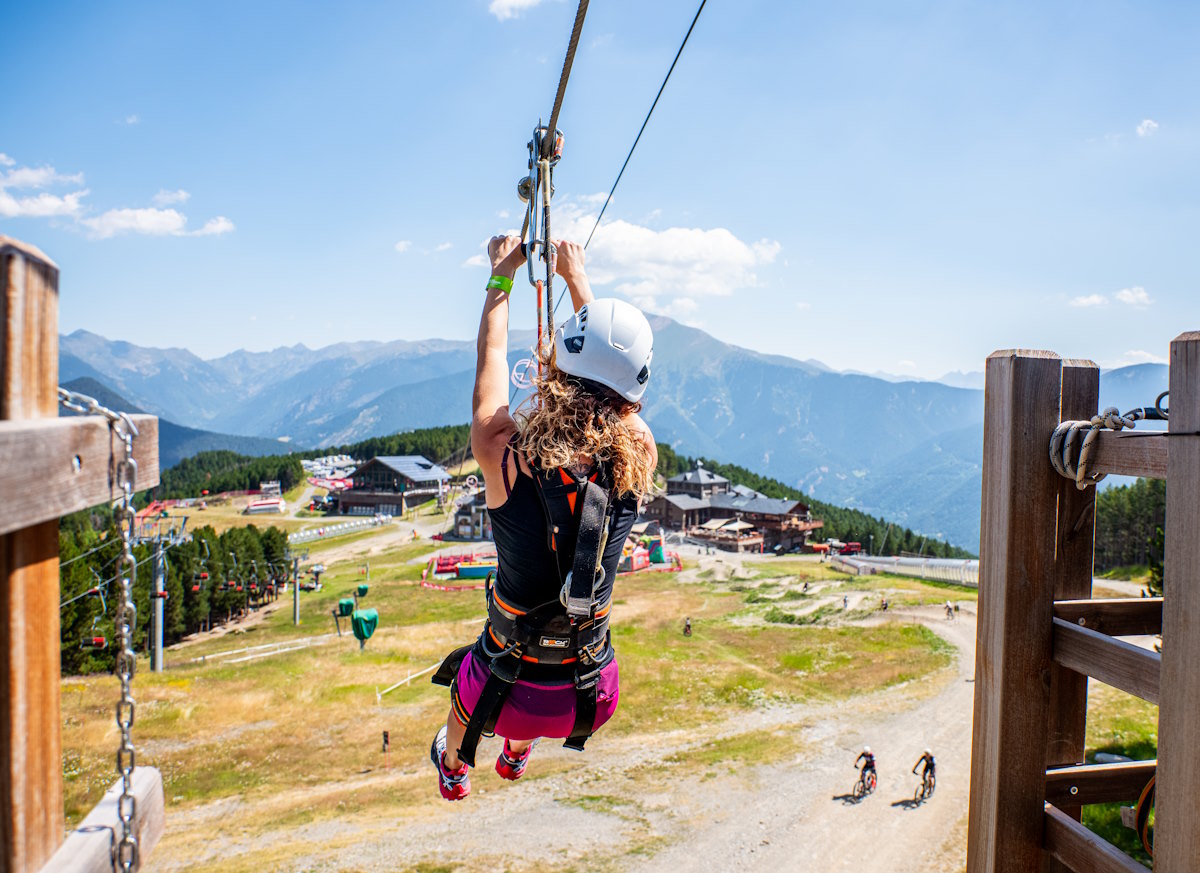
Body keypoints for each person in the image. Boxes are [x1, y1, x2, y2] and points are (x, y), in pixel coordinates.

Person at [428, 235, 657, 801]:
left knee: (472, 676)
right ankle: (517, 749)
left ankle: (456, 765)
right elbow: (611, 383)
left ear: (560, 363)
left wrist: (502, 275)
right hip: (589, 694)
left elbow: (493, 360)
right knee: (524, 667)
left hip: (503, 692)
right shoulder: (638, 452)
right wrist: (579, 281)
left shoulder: (501, 449)